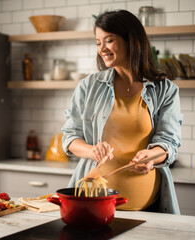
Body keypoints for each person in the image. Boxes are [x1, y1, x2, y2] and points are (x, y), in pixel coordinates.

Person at [61, 10, 182, 214]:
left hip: (149, 209)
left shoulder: (165, 89)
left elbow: (169, 142)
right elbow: (70, 137)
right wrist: (92, 150)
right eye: (98, 42)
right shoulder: (88, 87)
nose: (102, 49)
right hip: (92, 204)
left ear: (131, 41)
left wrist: (151, 156)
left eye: (109, 40)